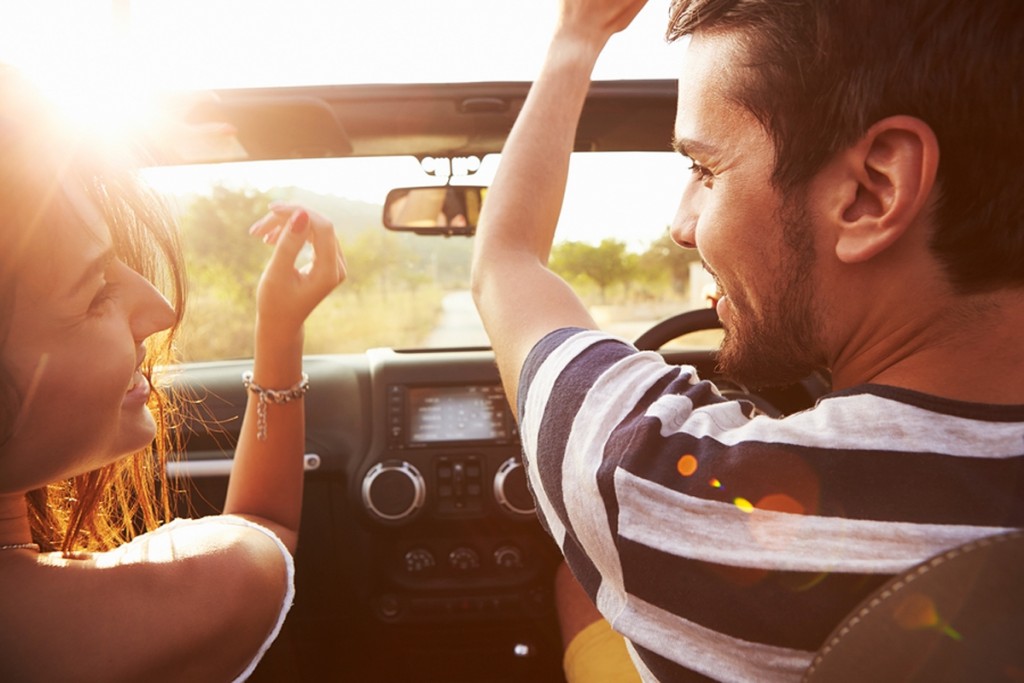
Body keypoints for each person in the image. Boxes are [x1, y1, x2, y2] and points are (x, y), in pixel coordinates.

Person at [470, 0, 1024, 681]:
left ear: (872, 192)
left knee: (575, 581)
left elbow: (505, 264)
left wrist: (576, 37)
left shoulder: (667, 493)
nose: (682, 223)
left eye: (705, 171)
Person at [0, 66, 346, 681]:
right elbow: (262, 531)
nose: (158, 311)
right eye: (94, 291)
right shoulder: (146, 615)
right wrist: (280, 327)